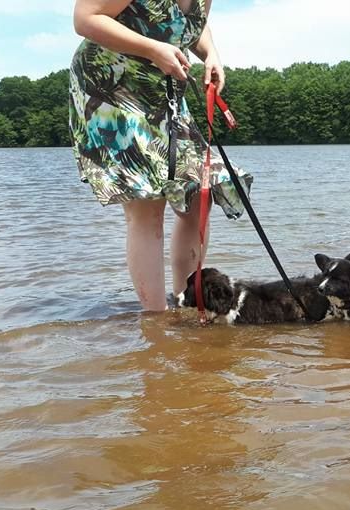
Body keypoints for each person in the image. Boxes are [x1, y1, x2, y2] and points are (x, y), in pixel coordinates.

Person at [70, 0, 251, 311]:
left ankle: (187, 303)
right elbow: (86, 18)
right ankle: (156, 318)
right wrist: (153, 49)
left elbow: (192, 26)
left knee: (198, 197)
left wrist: (211, 55)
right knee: (147, 206)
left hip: (165, 95)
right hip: (113, 92)